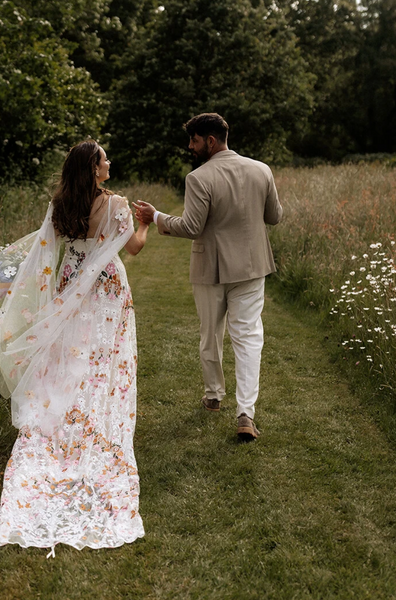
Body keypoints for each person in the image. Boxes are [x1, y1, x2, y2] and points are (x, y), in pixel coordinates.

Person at [0, 141, 149, 555]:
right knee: (103, 359)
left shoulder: (61, 204)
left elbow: (45, 253)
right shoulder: (117, 206)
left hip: (70, 283)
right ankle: (97, 418)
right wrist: (144, 224)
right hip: (107, 287)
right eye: (104, 159)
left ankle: (65, 413)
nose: (109, 163)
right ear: (94, 169)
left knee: (70, 355)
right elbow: (133, 247)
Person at [133, 113, 282, 441]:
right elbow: (274, 216)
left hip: (211, 269)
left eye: (194, 140)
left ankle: (214, 396)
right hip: (252, 267)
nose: (191, 147)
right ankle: (246, 412)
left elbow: (191, 227)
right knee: (248, 339)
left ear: (210, 141)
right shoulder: (262, 170)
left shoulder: (198, 178)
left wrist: (156, 216)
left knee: (210, 335)